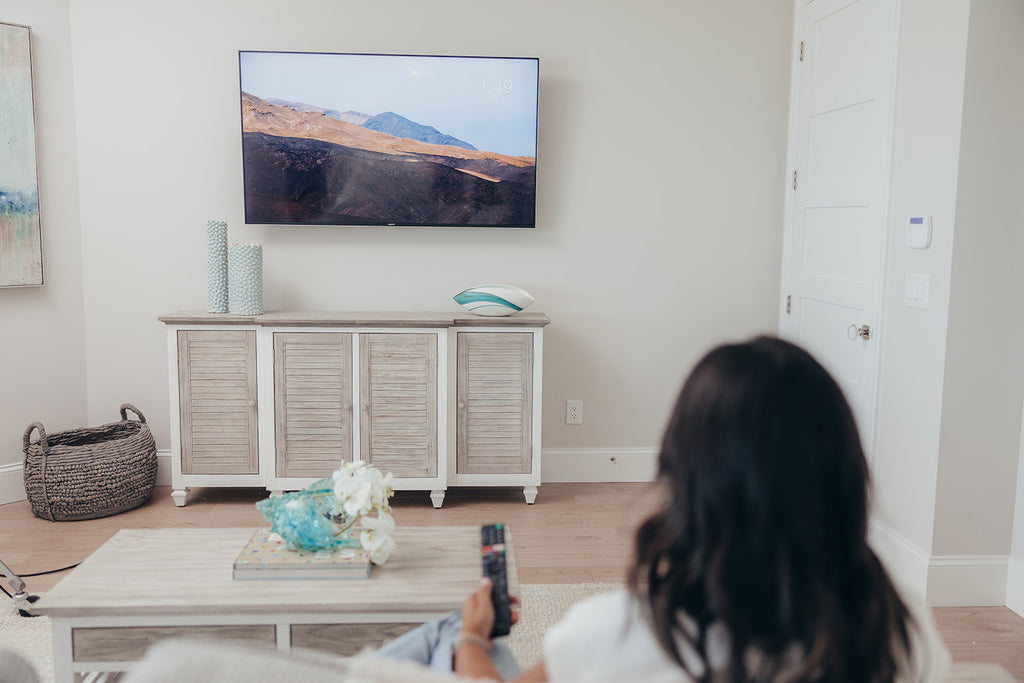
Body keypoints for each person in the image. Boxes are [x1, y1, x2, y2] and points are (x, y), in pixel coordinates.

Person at [380, 336, 951, 682]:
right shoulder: (902, 630)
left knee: (445, 633)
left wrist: (474, 638)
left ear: (689, 475)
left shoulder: (622, 632)